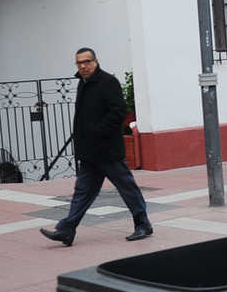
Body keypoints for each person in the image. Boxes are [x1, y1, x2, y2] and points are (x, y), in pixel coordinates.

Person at [41, 48, 153, 246]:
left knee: (127, 188)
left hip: (108, 151)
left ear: (95, 61)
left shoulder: (108, 82)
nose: (83, 66)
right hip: (90, 153)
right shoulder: (82, 85)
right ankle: (67, 230)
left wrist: (97, 131)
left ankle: (143, 224)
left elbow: (119, 112)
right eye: (79, 63)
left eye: (87, 61)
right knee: (82, 192)